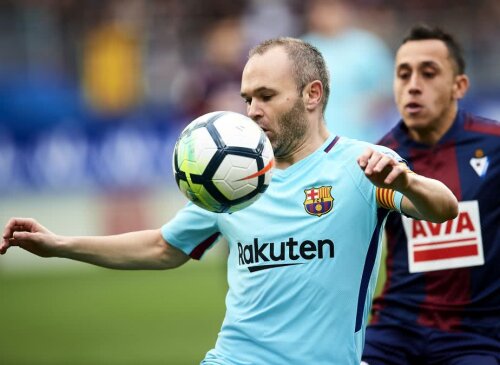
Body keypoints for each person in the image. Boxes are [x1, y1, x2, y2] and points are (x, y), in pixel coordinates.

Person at [1, 37, 458, 365]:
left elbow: (443, 208)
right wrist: (58, 244)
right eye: (246, 98)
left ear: (312, 95)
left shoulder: (365, 164)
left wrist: (408, 182)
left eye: (266, 96)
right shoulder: (233, 179)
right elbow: (163, 247)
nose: (253, 110)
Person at [362, 25, 500, 365]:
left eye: (428, 72)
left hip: (476, 335)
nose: (413, 85)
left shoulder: (494, 146)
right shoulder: (378, 158)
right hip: (394, 330)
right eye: (403, 74)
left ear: (459, 86)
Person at [301, 0, 394, 143]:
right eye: (322, 9)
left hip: (361, 138)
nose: (327, 15)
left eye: (332, 8)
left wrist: (369, 106)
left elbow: (389, 88)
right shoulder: (302, 49)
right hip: (315, 140)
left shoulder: (367, 46)